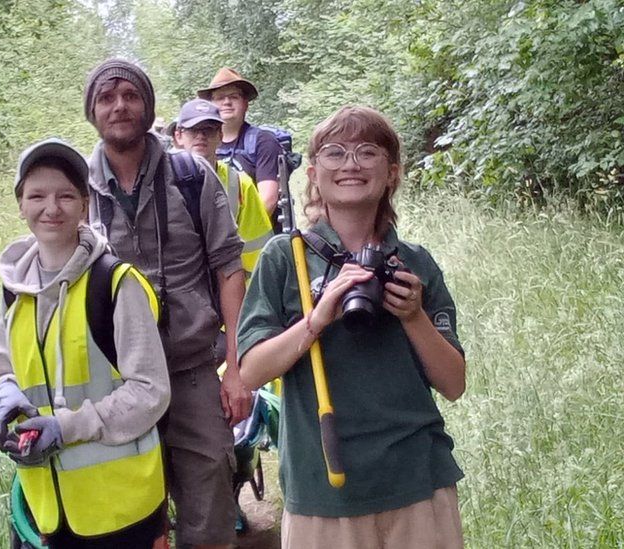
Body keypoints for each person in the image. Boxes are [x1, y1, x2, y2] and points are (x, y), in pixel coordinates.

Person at [236, 106, 466, 549]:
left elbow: (454, 384)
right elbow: (251, 372)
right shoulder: (287, 259)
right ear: (315, 174)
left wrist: (414, 315)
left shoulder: (415, 264)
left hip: (419, 479)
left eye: (367, 151)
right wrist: (318, 318)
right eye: (335, 152)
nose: (351, 164)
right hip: (324, 488)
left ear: (392, 172)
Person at [83, 58, 249, 549]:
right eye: (107, 98)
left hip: (192, 371)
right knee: (130, 523)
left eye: (130, 95)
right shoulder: (77, 187)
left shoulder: (191, 175)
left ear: (148, 106)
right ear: (92, 111)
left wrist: (236, 367)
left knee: (210, 512)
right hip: (114, 381)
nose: (119, 106)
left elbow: (229, 268)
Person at [0, 138, 171, 548]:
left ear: (84, 204)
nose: (50, 208)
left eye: (65, 196)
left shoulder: (115, 284)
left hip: (121, 511)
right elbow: (4, 370)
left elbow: (151, 391)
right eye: (36, 196)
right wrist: (2, 400)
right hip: (45, 510)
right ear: (20, 204)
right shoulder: (14, 290)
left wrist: (65, 427)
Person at [173, 98, 273, 280]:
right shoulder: (162, 182)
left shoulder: (241, 184)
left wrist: (250, 300)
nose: (201, 136)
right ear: (178, 135)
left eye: (208, 130)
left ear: (220, 135)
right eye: (193, 130)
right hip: (181, 288)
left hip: (231, 286)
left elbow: (258, 247)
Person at [197, 67, 284, 222]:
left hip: (255, 240)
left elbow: (268, 201)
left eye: (234, 97)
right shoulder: (201, 142)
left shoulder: (264, 142)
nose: (227, 102)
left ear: (245, 104)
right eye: (220, 98)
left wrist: (230, 237)